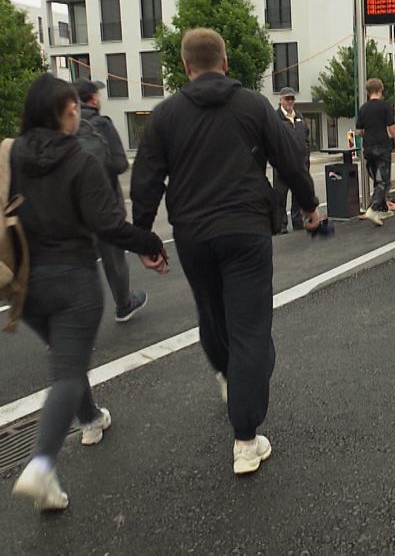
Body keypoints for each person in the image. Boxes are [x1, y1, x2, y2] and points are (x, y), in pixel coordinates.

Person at [131, 28, 322, 475]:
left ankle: (227, 375)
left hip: (193, 235)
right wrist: (309, 207)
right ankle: (245, 439)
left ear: (185, 66)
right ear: (226, 62)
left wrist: (144, 240)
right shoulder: (253, 105)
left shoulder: (165, 115)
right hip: (246, 230)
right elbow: (289, 159)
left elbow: (145, 180)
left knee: (213, 316)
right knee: (251, 329)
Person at [10, 74, 167, 512]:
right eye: (71, 107)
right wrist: (150, 244)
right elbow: (108, 224)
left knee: (65, 356)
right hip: (73, 279)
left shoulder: (18, 155)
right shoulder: (80, 159)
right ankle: (41, 464)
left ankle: (91, 419)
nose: (78, 111)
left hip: (28, 281)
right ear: (61, 113)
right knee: (66, 371)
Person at [73, 79, 148, 322]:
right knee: (113, 257)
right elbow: (119, 163)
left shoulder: (64, 126)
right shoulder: (101, 124)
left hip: (75, 209)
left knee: (81, 261)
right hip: (106, 205)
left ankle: (75, 317)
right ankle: (124, 304)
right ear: (92, 99)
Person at [356, 78, 395, 225]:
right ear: (381, 90)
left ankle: (383, 209)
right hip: (382, 146)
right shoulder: (385, 106)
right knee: (384, 181)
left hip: (368, 147)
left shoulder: (363, 108)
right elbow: (392, 128)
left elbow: (359, 131)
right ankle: (373, 209)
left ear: (367, 92)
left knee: (376, 179)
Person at [272, 86, 312, 233]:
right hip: (283, 164)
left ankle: (297, 220)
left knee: (299, 194)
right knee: (280, 195)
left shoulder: (299, 117)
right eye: (287, 98)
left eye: (291, 98)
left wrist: (306, 153)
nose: (289, 101)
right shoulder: (275, 118)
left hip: (301, 163)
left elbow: (305, 137)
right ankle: (281, 225)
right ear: (280, 100)